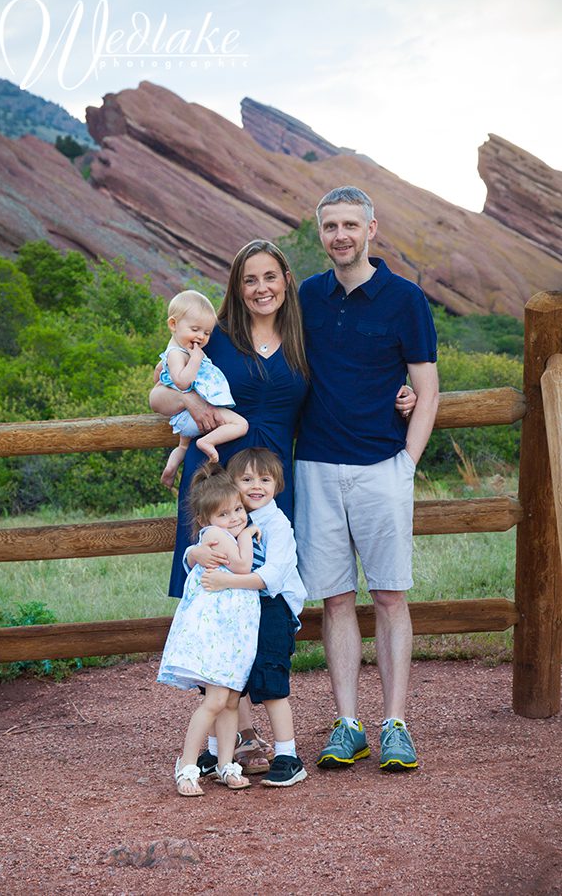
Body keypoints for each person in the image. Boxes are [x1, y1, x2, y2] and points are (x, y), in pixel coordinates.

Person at [149, 239, 415, 757]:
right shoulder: (214, 338)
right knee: (215, 598)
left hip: (272, 487)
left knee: (266, 598)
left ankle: (253, 721)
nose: (260, 288)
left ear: (286, 280)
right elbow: (157, 394)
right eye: (250, 279)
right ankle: (239, 732)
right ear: (237, 286)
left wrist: (402, 393)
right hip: (218, 482)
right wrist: (186, 398)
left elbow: (352, 379)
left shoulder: (302, 335)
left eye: (269, 277)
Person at [294, 185, 439, 772]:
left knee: (389, 595)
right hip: (316, 467)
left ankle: (395, 724)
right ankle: (348, 724)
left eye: (350, 225)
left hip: (383, 466)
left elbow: (426, 389)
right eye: (330, 227)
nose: (340, 236)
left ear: (372, 228)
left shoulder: (406, 299)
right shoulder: (305, 296)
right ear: (320, 232)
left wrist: (408, 462)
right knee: (334, 600)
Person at [189, 447, 308, 787]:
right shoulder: (229, 520)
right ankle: (216, 751)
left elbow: (271, 577)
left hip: (272, 607)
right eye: (246, 479)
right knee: (224, 678)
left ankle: (287, 755)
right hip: (232, 610)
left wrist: (227, 580)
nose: (256, 486)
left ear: (277, 484)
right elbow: (199, 554)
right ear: (232, 483)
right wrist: (193, 553)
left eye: (265, 479)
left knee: (270, 680)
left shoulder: (277, 525)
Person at [157, 463, 261, 796]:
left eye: (239, 510)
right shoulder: (218, 537)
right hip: (219, 631)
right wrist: (245, 534)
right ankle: (187, 765)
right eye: (224, 514)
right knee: (216, 700)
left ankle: (226, 763)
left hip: (235, 630)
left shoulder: (222, 532)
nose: (235, 518)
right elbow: (243, 566)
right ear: (205, 521)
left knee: (230, 700)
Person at [154, 289, 248, 488]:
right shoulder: (176, 354)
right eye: (195, 329)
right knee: (241, 425)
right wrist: (196, 360)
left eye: (206, 332)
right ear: (173, 324)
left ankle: (170, 470)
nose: (201, 337)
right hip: (191, 414)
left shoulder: (175, 351)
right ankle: (207, 442)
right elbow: (182, 382)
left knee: (182, 446)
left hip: (187, 416)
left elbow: (159, 377)